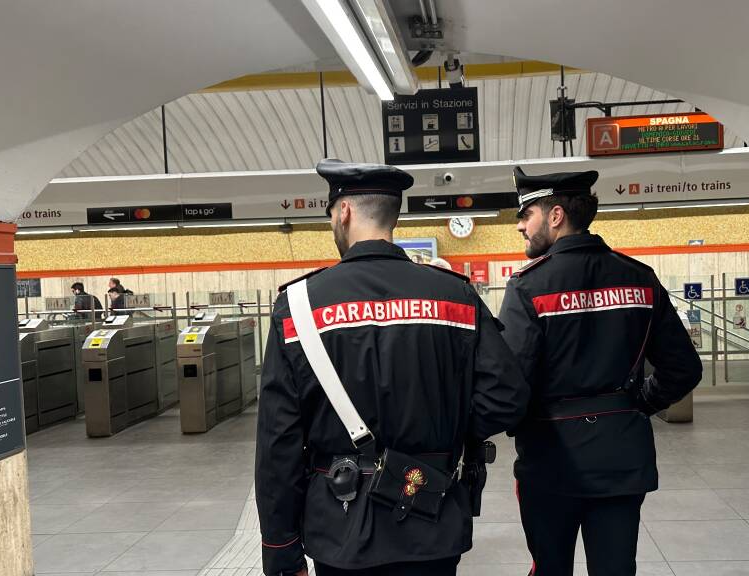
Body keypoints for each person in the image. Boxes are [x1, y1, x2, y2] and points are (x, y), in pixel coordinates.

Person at [256, 159, 529, 576]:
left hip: (339, 523)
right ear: (393, 216)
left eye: (332, 214)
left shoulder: (297, 308)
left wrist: (281, 549)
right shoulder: (455, 296)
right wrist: (448, 431)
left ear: (343, 211)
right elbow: (507, 397)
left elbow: (279, 443)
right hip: (429, 508)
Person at [498, 166, 703, 576]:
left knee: (551, 566)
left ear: (555, 215)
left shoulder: (528, 287)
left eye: (526, 214)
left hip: (551, 457)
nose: (521, 226)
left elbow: (508, 383)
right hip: (622, 455)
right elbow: (683, 368)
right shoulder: (639, 278)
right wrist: (641, 400)